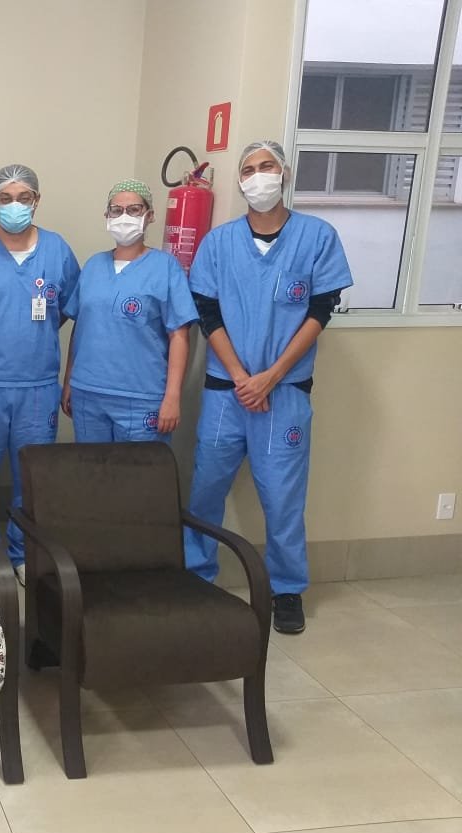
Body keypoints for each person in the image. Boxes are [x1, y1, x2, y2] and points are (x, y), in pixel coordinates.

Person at [183, 140, 353, 635]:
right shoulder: (219, 243)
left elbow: (320, 311)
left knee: (283, 498)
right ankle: (196, 576)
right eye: (249, 169)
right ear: (240, 182)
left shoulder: (316, 238)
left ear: (285, 173)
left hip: (285, 393)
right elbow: (207, 313)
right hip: (226, 392)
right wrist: (241, 377)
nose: (258, 176)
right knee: (205, 490)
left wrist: (271, 376)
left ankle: (287, 589)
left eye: (267, 166)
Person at [0, 164, 80, 588]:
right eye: (5, 198)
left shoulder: (58, 251)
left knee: (32, 477)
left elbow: (68, 309)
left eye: (24, 197)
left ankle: (25, 552)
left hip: (38, 386)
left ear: (37, 200)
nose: (14, 205)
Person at [61, 179, 197, 442]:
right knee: (91, 466)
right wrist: (69, 381)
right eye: (116, 210)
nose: (124, 216)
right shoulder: (93, 265)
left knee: (139, 469)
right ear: (107, 216)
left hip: (142, 396)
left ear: (150, 215)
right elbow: (82, 327)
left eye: (134, 210)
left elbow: (179, 335)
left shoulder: (165, 267)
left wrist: (172, 397)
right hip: (88, 392)